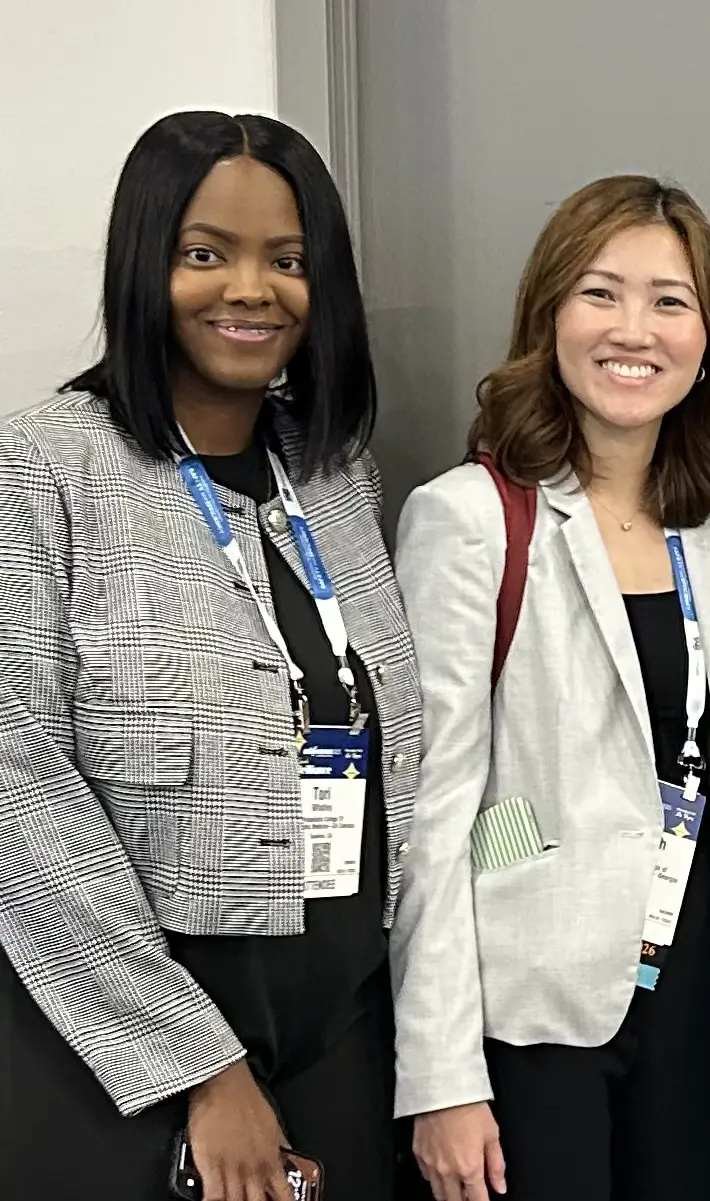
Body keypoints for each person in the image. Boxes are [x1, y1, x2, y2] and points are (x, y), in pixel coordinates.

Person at [0, 112, 416, 1200]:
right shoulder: (45, 465)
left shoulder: (333, 476)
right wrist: (199, 1062)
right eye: (204, 254)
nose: (250, 288)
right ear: (146, 261)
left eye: (287, 260)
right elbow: (18, 786)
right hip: (128, 1048)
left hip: (344, 1030)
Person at [390, 175, 710, 1201]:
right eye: (600, 293)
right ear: (549, 314)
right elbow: (438, 815)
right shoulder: (473, 519)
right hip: (529, 1008)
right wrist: (440, 1075)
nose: (634, 330)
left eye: (670, 301)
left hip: (692, 988)